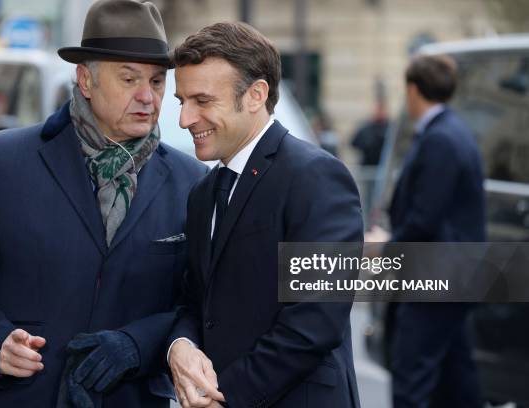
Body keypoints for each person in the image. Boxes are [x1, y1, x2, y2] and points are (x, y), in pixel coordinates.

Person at [0, 1, 206, 407]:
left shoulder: (190, 181)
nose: (147, 96)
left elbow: (196, 307)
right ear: (85, 80)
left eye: (158, 82)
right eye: (129, 79)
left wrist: (137, 345)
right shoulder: (3, 162)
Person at [166, 22, 364, 407]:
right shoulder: (203, 193)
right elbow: (194, 301)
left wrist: (225, 396)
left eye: (202, 101)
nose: (185, 119)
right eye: (182, 101)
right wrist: (181, 345)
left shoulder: (316, 177)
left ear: (256, 95)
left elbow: (314, 323)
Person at [366, 55, 485, 408]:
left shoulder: (440, 139)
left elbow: (425, 217)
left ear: (413, 90)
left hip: (435, 276)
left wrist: (385, 246)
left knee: (411, 375)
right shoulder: (453, 131)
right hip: (454, 275)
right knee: (456, 376)